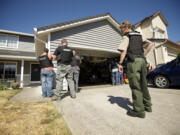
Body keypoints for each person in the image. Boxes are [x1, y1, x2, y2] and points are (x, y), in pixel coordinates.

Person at [118, 21, 153, 118]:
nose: (120, 31)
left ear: (125, 28)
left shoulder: (126, 36)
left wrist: (120, 63)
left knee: (135, 86)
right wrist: (143, 56)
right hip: (142, 61)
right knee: (143, 84)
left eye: (121, 29)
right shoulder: (139, 35)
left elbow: (124, 51)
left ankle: (139, 111)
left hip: (133, 62)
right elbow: (150, 44)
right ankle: (147, 106)